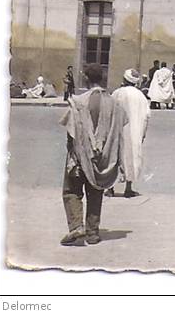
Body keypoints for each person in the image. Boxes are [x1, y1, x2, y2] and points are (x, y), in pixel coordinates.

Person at [59, 63, 127, 246]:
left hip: (80, 155)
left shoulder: (79, 101)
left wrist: (73, 154)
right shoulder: (114, 103)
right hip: (103, 157)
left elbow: (71, 130)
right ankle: (92, 233)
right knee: (96, 191)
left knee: (71, 191)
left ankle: (76, 227)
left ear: (87, 79)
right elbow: (120, 128)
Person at [109, 69, 150, 198]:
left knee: (114, 157)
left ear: (124, 80)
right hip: (135, 131)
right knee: (131, 157)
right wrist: (143, 133)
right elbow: (146, 116)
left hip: (118, 130)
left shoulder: (117, 93)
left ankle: (110, 188)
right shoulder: (140, 96)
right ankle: (128, 188)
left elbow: (110, 111)